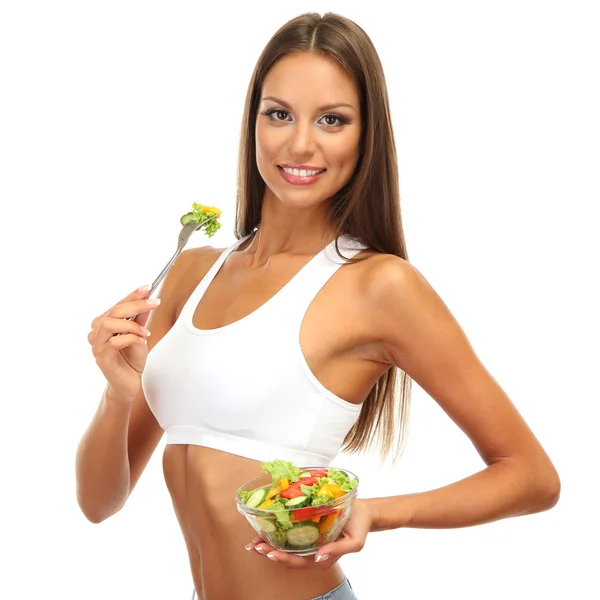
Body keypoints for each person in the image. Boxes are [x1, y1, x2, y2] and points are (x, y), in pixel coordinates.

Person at [76, 12, 560, 600]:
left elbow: (532, 476)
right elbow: (99, 504)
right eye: (279, 113)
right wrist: (117, 392)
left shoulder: (379, 286)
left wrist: (376, 513)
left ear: (366, 134)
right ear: (252, 120)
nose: (300, 143)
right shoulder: (190, 272)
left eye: (332, 119)